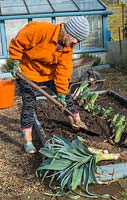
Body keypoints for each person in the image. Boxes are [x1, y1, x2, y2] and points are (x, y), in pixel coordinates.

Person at [9, 16, 89, 154]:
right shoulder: (41, 30)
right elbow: (18, 42)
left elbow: (63, 71)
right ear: (68, 32)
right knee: (29, 103)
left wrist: (62, 93)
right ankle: (27, 139)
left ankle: (75, 120)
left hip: (48, 74)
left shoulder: (67, 47)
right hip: (27, 72)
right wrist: (15, 61)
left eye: (79, 41)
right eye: (75, 38)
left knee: (66, 97)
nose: (76, 42)